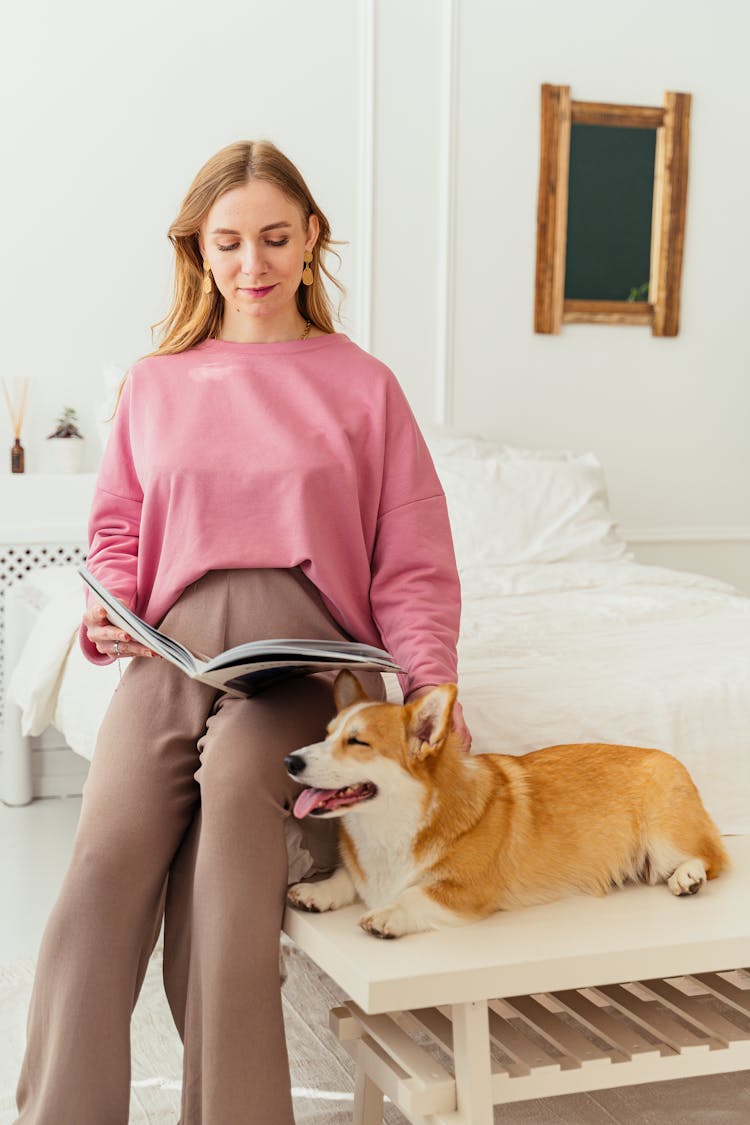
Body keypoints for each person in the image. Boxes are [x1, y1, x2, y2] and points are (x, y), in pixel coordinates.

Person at [14, 139, 471, 1125]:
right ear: (199, 250)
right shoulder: (159, 380)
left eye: (273, 238)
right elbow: (118, 524)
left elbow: (414, 556)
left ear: (312, 239)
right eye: (229, 243)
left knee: (230, 833)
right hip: (177, 646)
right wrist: (110, 606)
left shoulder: (363, 386)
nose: (252, 266)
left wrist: (432, 679)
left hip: (304, 661)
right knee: (99, 879)